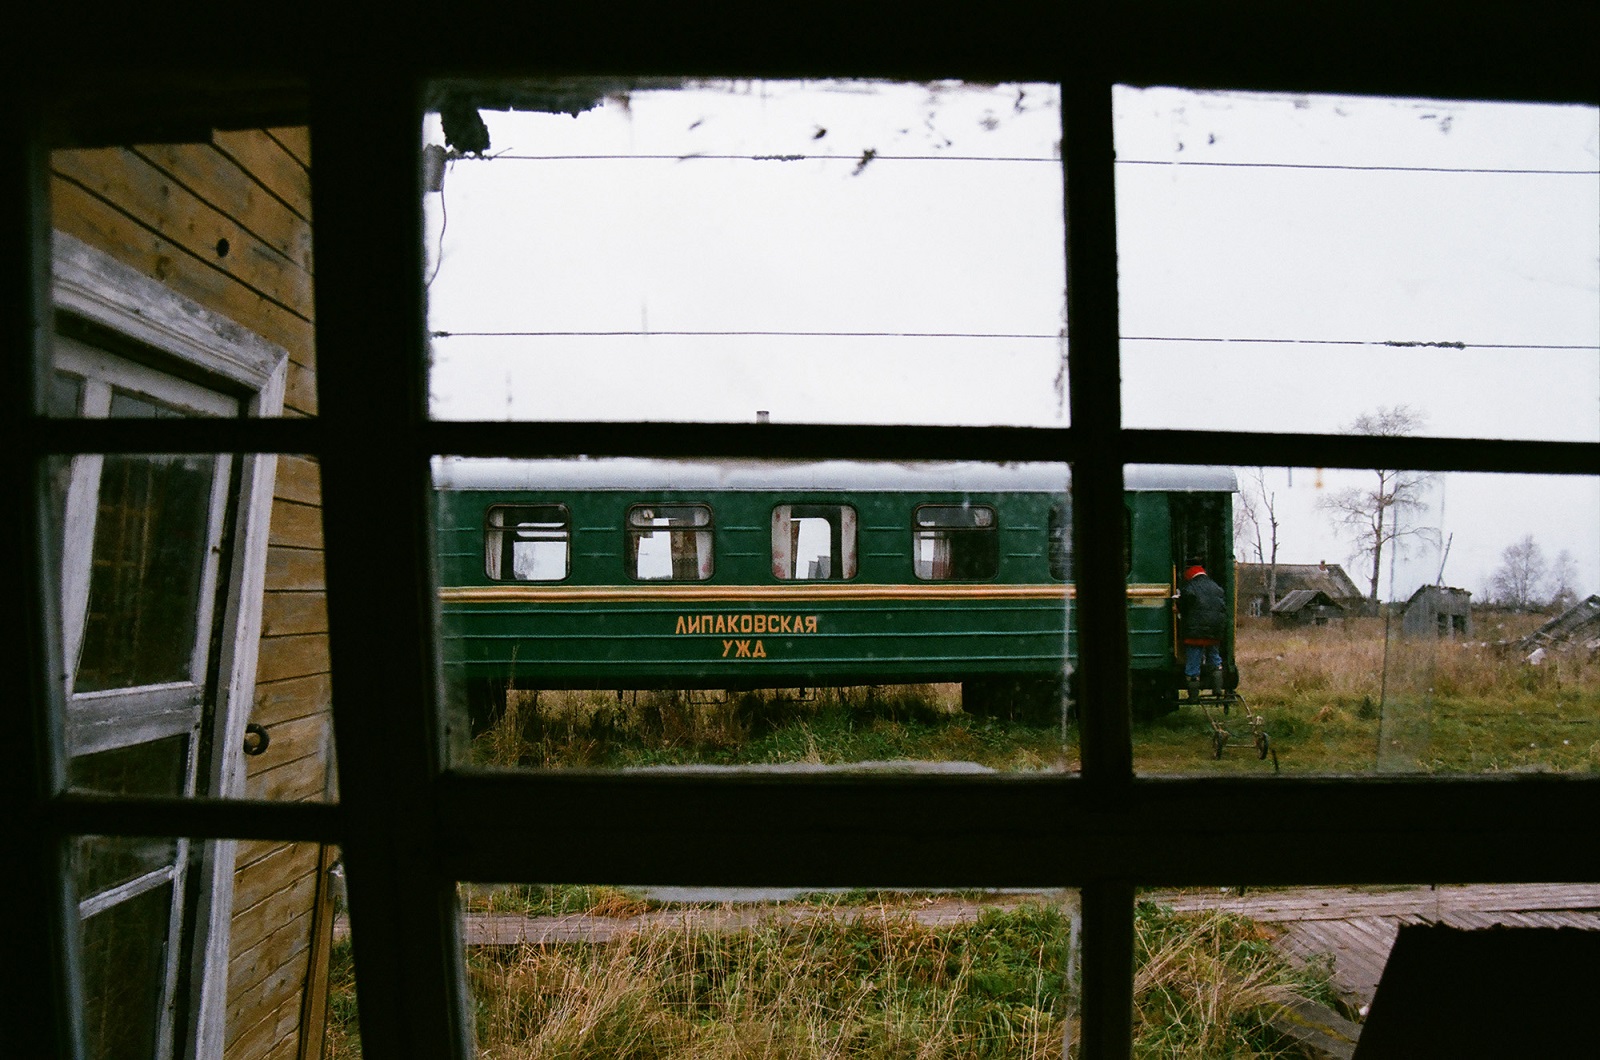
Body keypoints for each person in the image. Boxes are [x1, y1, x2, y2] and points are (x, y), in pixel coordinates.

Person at [1178, 561, 1226, 699]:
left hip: (1195, 632)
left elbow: (1184, 606)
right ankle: (1217, 689)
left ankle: (1193, 695)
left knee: (1193, 662)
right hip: (1215, 631)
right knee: (1215, 659)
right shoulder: (1217, 588)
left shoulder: (1190, 587)